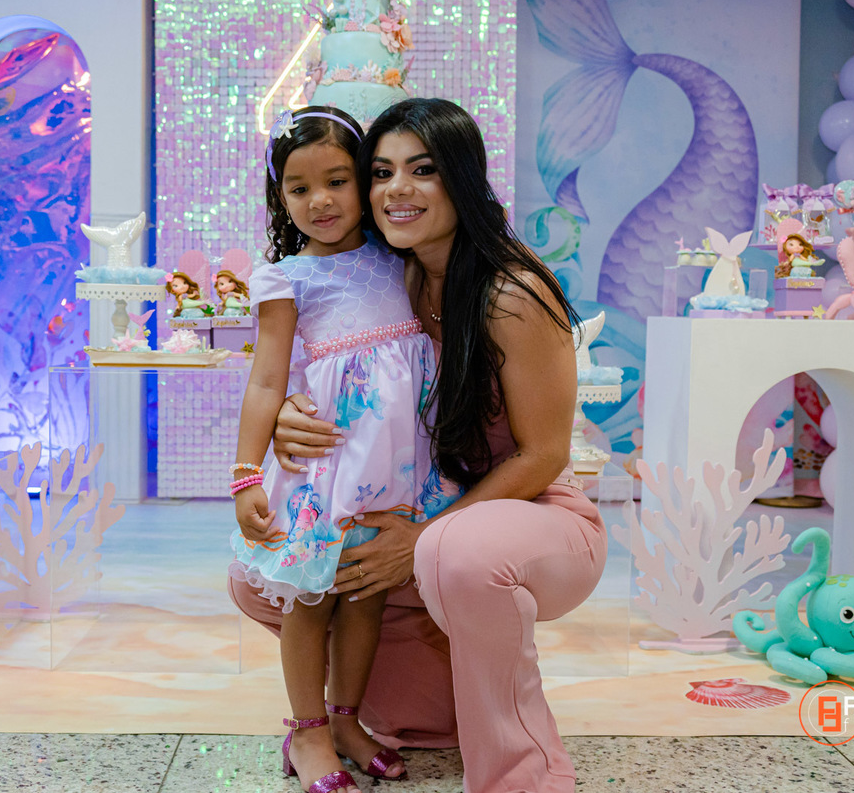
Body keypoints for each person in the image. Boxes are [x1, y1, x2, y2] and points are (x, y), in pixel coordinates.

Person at [229, 98, 608, 793]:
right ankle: (334, 720)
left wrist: (422, 537)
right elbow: (302, 367)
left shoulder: (506, 290)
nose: (397, 189)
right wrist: (282, 420)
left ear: (461, 177)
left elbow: (544, 454)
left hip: (514, 511)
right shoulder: (396, 272)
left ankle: (519, 774)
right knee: (288, 578)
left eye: (423, 169)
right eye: (382, 172)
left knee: (443, 558)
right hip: (405, 496)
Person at [229, 105, 437, 793]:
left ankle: (348, 721)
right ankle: (308, 730)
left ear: (364, 181)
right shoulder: (287, 278)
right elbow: (267, 379)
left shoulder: (401, 257)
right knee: (312, 599)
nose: (319, 200)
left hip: (395, 467)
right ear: (280, 197)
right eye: (299, 188)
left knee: (365, 595)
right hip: (325, 467)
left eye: (337, 181)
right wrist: (245, 475)